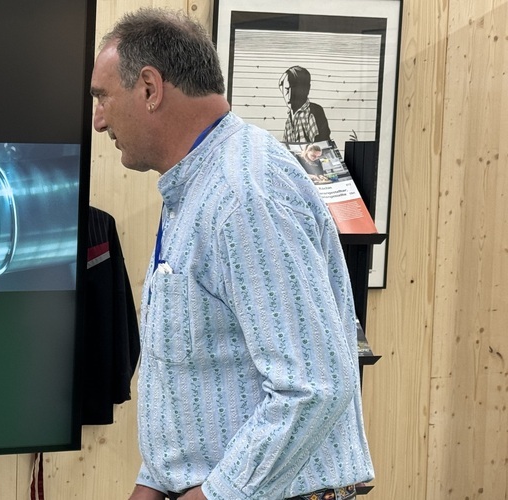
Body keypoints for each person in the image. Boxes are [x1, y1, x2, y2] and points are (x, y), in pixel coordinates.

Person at [89, 8, 373, 500]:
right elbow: (201, 369)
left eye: (102, 97)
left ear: (150, 88)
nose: (98, 120)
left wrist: (212, 494)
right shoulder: (200, 185)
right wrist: (156, 478)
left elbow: (313, 387)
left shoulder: (244, 195)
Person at [279, 66, 332, 143]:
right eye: (286, 89)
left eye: (295, 91)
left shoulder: (312, 113)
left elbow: (321, 146)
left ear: (306, 90)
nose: (289, 96)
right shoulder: (289, 121)